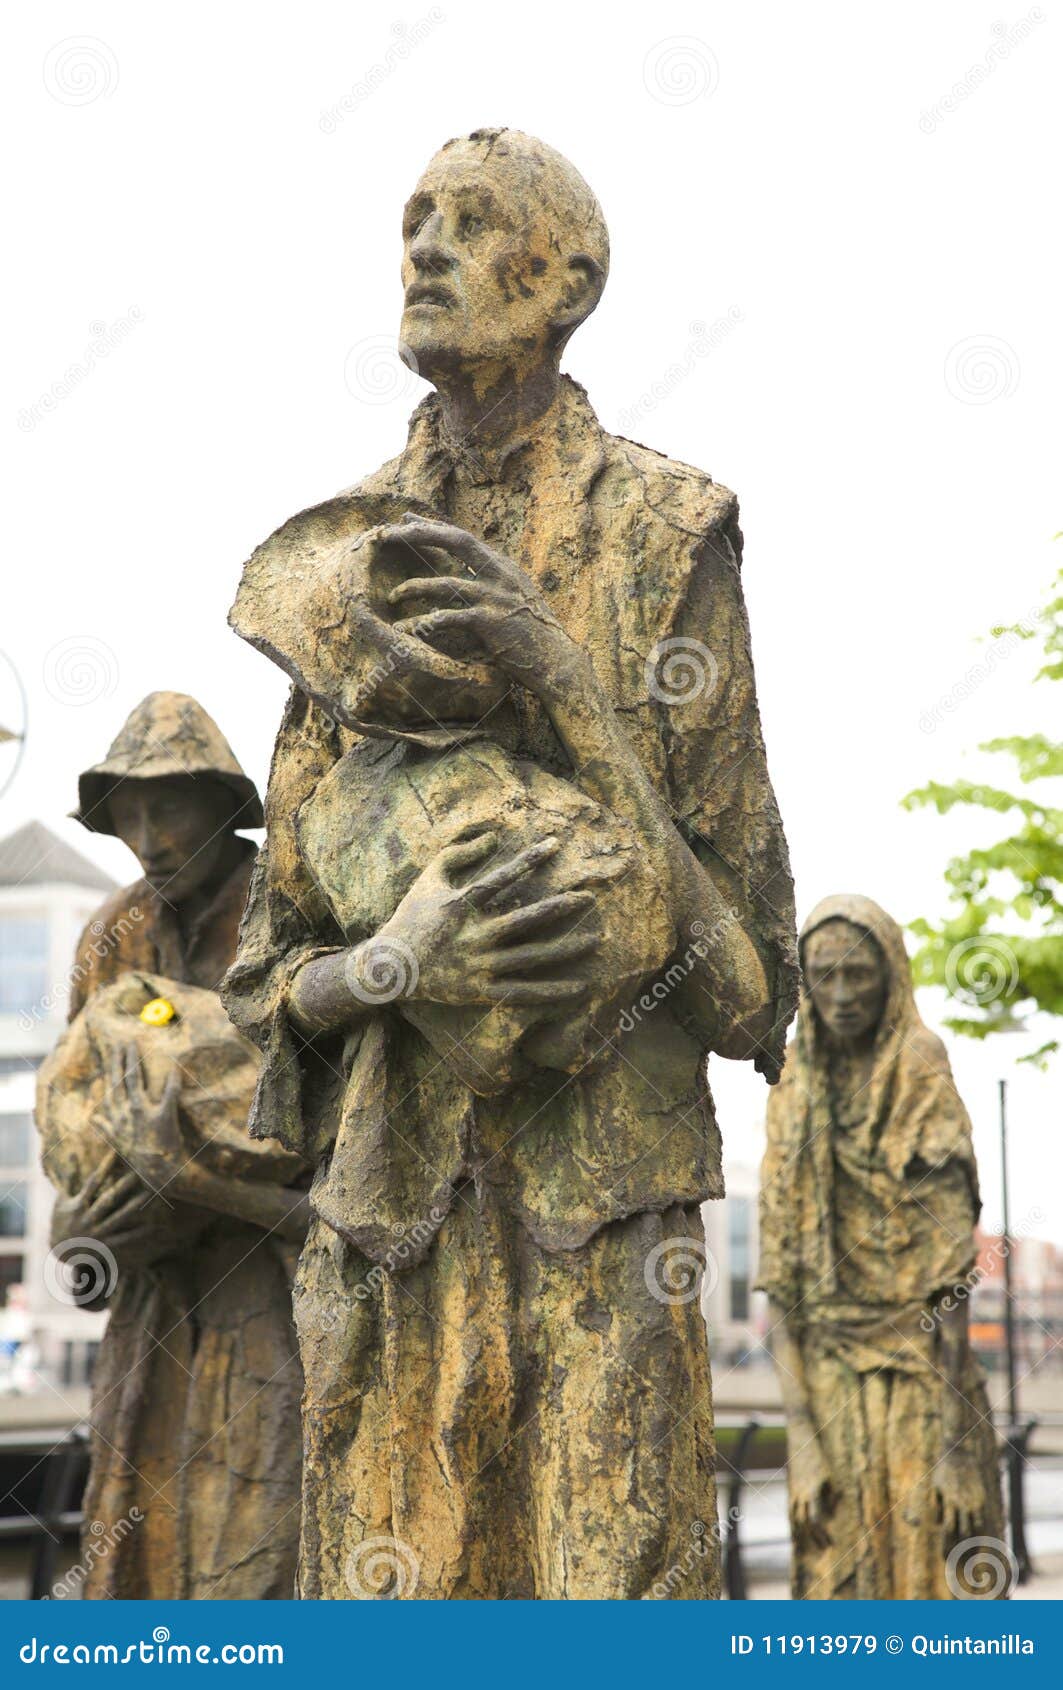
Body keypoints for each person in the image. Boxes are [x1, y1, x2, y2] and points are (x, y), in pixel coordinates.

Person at [223, 129, 798, 1599]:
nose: (421, 247)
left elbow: (748, 987)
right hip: (389, 1217)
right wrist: (383, 963)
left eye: (470, 224)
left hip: (601, 1217)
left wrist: (567, 694)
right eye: (412, 219)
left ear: (567, 279)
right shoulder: (338, 559)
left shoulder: (669, 532)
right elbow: (262, 978)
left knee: (607, 1610)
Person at [36, 692, 306, 1599]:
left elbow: (345, 1169)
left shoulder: (290, 909)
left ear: (222, 801)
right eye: (128, 814)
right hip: (149, 1321)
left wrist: (193, 1177)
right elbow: (75, 1123)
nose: (147, 836)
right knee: (135, 1573)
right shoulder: (110, 935)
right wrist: (80, 1234)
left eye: (169, 807)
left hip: (269, 1297)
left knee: (261, 1559)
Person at [758, 894, 1005, 1600]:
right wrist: (800, 1443)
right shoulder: (791, 1084)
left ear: (889, 974)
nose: (838, 996)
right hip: (827, 1372)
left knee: (936, 1565)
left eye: (857, 975)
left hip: (925, 1373)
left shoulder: (919, 1065)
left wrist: (957, 1449)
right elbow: (780, 1282)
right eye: (821, 975)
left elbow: (948, 1276)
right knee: (837, 1576)